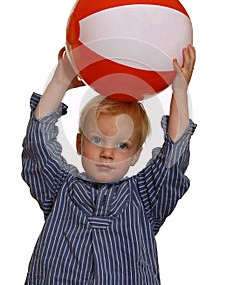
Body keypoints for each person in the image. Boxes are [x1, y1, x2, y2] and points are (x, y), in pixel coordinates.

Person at [22, 44, 196, 284]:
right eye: (97, 139)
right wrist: (60, 81)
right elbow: (38, 144)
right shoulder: (59, 187)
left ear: (136, 155)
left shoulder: (146, 197)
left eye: (122, 145)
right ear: (80, 143)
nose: (107, 153)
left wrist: (179, 92)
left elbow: (174, 157)